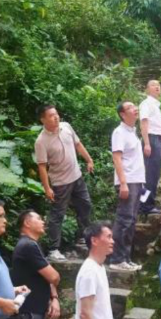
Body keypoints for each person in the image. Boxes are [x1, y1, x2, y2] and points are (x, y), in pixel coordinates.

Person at [6, 210, 61, 319]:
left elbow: (48, 277)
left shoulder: (33, 245)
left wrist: (54, 297)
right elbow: (53, 276)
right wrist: (53, 278)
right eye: (38, 218)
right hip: (27, 315)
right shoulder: (28, 246)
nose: (43, 221)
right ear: (27, 223)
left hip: (31, 313)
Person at [35, 104, 95, 261]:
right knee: (57, 215)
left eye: (56, 114)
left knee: (85, 205)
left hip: (77, 176)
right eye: (51, 115)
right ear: (43, 119)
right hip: (60, 183)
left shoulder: (66, 127)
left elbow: (78, 144)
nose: (56, 117)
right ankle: (53, 249)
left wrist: (89, 160)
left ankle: (83, 237)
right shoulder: (41, 141)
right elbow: (42, 166)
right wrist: (47, 188)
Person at [109, 101, 145, 272]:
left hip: (136, 180)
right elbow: (117, 158)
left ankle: (126, 258)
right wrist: (123, 183)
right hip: (127, 181)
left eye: (134, 106)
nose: (135, 109)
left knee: (131, 221)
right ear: (123, 114)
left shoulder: (133, 132)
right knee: (124, 220)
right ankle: (116, 259)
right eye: (130, 107)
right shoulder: (119, 132)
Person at [139, 79, 161, 215]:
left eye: (158, 85)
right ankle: (145, 206)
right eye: (153, 85)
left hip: (158, 140)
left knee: (154, 174)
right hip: (152, 139)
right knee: (149, 174)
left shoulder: (156, 106)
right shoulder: (146, 103)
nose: (157, 86)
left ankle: (147, 204)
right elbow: (144, 123)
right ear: (147, 89)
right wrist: (147, 143)